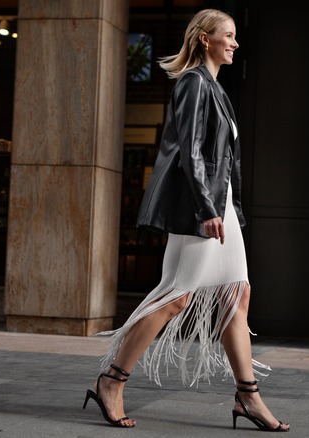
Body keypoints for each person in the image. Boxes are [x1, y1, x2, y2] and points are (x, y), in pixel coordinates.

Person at [83, 8, 290, 432]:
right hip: (207, 208)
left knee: (237, 296)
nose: (234, 43)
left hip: (222, 207)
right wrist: (207, 208)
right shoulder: (194, 83)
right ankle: (112, 381)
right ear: (203, 39)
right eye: (227, 36)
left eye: (234, 36)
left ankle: (247, 396)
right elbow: (191, 151)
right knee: (177, 297)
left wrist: (225, 207)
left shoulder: (216, 88)